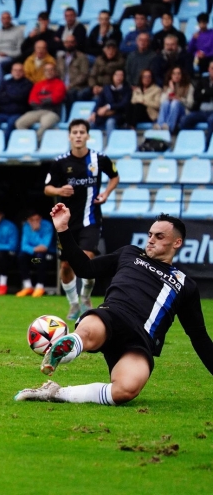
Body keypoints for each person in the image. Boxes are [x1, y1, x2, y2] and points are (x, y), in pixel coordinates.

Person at [15, 206, 213, 405]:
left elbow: (199, 337)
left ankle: (54, 392)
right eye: (150, 234)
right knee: (89, 331)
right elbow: (86, 269)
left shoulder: (185, 285)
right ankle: (67, 348)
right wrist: (63, 229)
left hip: (139, 341)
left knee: (125, 391)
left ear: (177, 242)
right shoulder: (129, 254)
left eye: (159, 236)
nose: (151, 239)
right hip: (112, 315)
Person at [44, 119, 119, 321]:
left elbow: (115, 176)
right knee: (67, 266)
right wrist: (60, 190)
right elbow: (47, 188)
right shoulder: (60, 162)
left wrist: (106, 193)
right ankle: (74, 303)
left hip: (91, 219)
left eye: (82, 132)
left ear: (87, 135)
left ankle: (85, 296)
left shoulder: (99, 159)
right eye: (75, 132)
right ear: (69, 136)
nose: (78, 135)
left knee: (86, 260)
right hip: (66, 223)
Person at [15, 62, 66, 141]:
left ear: (55, 72)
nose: (49, 72)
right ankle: (30, 142)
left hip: (52, 112)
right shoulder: (38, 84)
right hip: (37, 111)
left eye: (51, 70)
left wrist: (40, 99)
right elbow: (31, 100)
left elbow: (55, 99)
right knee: (19, 123)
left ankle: (37, 145)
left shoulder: (60, 84)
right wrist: (46, 99)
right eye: (46, 70)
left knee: (44, 125)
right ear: (44, 72)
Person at [15, 210, 54, 298]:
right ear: (28, 220)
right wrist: (34, 249)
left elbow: (44, 247)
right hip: (31, 256)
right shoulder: (26, 226)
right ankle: (28, 286)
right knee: (21, 257)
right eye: (32, 220)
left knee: (39, 259)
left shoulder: (47, 226)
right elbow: (24, 246)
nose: (35, 222)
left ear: (41, 218)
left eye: (37, 219)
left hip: (47, 255)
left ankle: (40, 286)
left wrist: (35, 231)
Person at [0, 62, 32, 140]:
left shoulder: (28, 84)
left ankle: (5, 144)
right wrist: (13, 95)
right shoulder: (5, 82)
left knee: (11, 123)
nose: (17, 72)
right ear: (11, 71)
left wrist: (7, 94)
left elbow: (21, 97)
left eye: (20, 70)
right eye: (15, 70)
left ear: (23, 72)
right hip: (4, 112)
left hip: (19, 113)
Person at [89, 68, 132, 138]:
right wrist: (94, 113)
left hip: (119, 115)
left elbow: (123, 104)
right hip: (104, 115)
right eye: (117, 75)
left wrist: (108, 107)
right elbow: (99, 101)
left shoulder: (127, 89)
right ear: (112, 76)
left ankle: (110, 145)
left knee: (110, 122)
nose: (119, 77)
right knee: (90, 123)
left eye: (121, 75)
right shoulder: (106, 88)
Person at [179, 60, 213, 137]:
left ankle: (206, 145)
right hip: (201, 111)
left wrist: (204, 92)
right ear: (209, 69)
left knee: (211, 120)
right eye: (212, 68)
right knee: (185, 119)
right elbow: (196, 96)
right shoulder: (203, 80)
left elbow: (204, 94)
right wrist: (208, 92)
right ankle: (189, 142)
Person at [155, 65, 194, 131]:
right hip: (169, 110)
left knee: (175, 102)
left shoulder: (189, 86)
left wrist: (180, 99)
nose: (176, 76)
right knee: (166, 102)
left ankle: (169, 127)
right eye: (174, 74)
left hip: (183, 112)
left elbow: (190, 104)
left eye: (179, 73)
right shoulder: (167, 86)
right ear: (171, 75)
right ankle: (160, 125)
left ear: (182, 75)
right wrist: (171, 89)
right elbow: (161, 102)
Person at [57, 34, 90, 111]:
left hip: (77, 86)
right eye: (67, 42)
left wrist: (70, 85)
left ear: (75, 43)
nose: (69, 44)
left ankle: (70, 117)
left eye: (71, 42)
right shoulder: (60, 58)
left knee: (70, 94)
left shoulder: (82, 57)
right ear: (64, 44)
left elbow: (84, 74)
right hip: (62, 85)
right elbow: (58, 73)